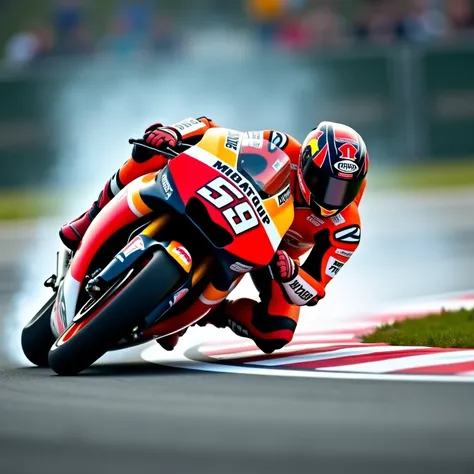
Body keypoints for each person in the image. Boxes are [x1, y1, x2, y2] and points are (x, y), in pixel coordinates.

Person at [59, 117, 369, 353]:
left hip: (271, 256)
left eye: (344, 188)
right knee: (150, 150)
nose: (332, 195)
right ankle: (90, 218)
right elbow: (219, 135)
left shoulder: (347, 229)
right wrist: (176, 134)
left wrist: (291, 275)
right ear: (304, 161)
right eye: (324, 181)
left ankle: (209, 312)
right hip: (231, 205)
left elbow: (313, 290)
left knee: (276, 331)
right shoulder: (282, 145)